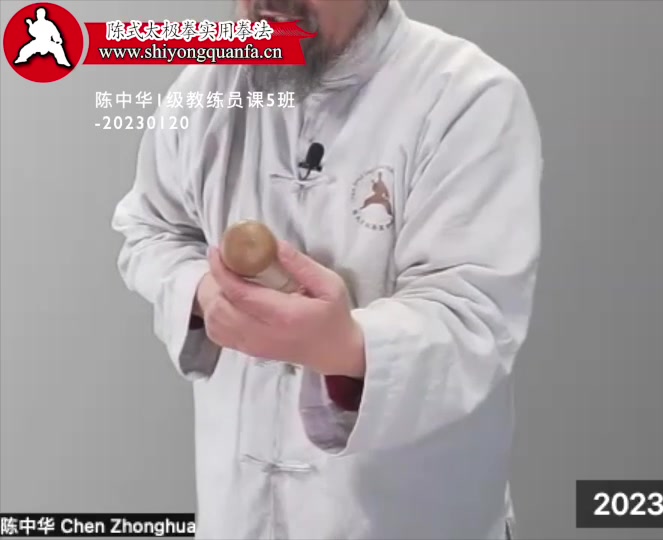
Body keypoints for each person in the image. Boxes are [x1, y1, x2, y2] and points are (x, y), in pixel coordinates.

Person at [110, 0, 542, 538]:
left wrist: (347, 349)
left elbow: (475, 321)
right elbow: (150, 228)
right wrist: (200, 292)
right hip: (236, 517)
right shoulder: (209, 87)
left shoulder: (467, 99)